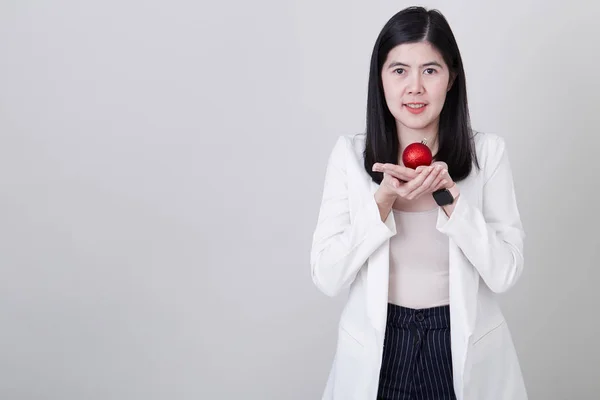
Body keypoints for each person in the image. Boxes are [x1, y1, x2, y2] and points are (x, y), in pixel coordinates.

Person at [309, 6, 527, 400]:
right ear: (380, 79)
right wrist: (383, 200)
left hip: (458, 345)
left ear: (451, 78)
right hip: (381, 349)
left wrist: (450, 200)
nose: (414, 87)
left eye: (430, 70)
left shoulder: (488, 155)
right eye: (399, 70)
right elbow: (327, 275)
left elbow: (505, 273)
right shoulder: (350, 156)